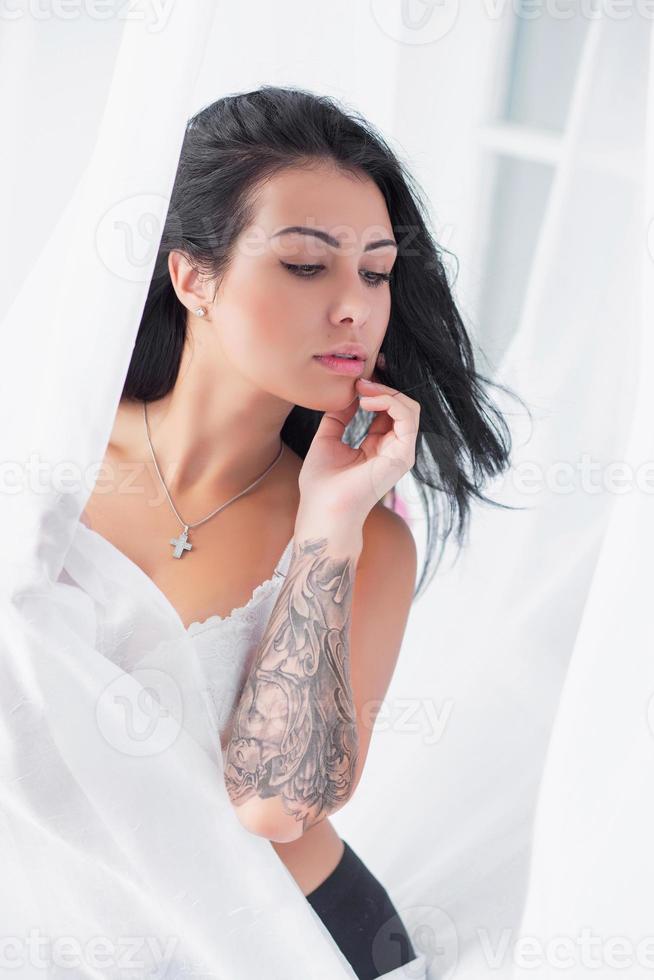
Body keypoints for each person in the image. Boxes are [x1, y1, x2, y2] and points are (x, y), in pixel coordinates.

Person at [79, 85, 517, 979]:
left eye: (377, 270)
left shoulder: (365, 539)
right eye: (308, 267)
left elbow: (279, 806)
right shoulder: (49, 454)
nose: (355, 306)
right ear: (191, 276)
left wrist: (326, 524)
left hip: (289, 940)